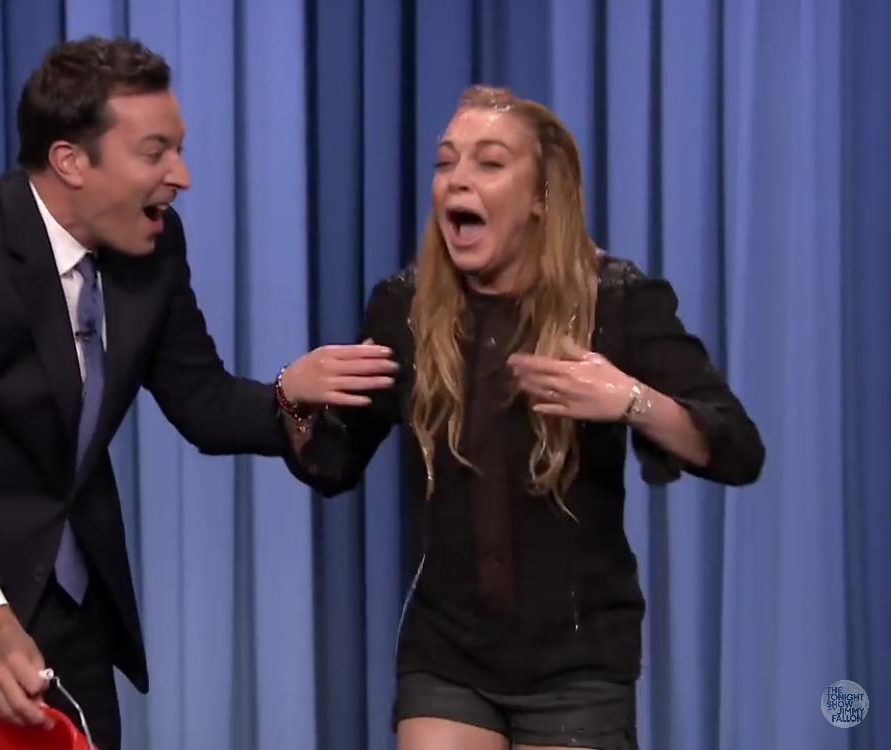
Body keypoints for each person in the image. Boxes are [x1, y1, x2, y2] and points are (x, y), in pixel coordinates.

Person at [0, 36, 395, 750]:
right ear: (71, 161)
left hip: (71, 611)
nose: (181, 176)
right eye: (155, 153)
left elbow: (202, 402)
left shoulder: (154, 247)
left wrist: (288, 394)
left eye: (178, 149)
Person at [275, 85, 765, 750]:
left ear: (540, 197)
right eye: (446, 162)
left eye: (489, 162)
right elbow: (334, 463)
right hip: (446, 653)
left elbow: (737, 450)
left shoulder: (617, 302)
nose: (457, 180)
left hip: (578, 663)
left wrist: (630, 399)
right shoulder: (404, 307)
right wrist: (294, 399)